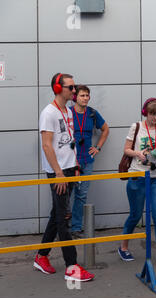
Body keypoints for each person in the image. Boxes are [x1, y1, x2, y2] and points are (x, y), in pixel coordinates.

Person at [34, 73, 94, 282]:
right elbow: (46, 145)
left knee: (56, 214)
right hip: (57, 172)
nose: (75, 91)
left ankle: (41, 256)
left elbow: (69, 141)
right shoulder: (48, 113)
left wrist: (75, 164)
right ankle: (72, 266)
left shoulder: (67, 111)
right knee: (63, 220)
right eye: (71, 87)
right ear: (58, 88)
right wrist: (58, 173)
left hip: (69, 169)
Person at [118, 98, 156, 269]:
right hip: (137, 175)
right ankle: (123, 247)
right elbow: (126, 149)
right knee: (135, 215)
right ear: (145, 113)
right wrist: (138, 154)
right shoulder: (136, 127)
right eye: (152, 114)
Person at [69, 85, 109, 239]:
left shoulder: (92, 113)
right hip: (70, 161)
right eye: (82, 95)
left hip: (87, 160)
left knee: (81, 195)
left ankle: (76, 228)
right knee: (65, 195)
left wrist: (98, 147)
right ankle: (62, 228)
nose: (85, 98)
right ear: (75, 98)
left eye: (87, 95)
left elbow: (106, 129)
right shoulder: (68, 113)